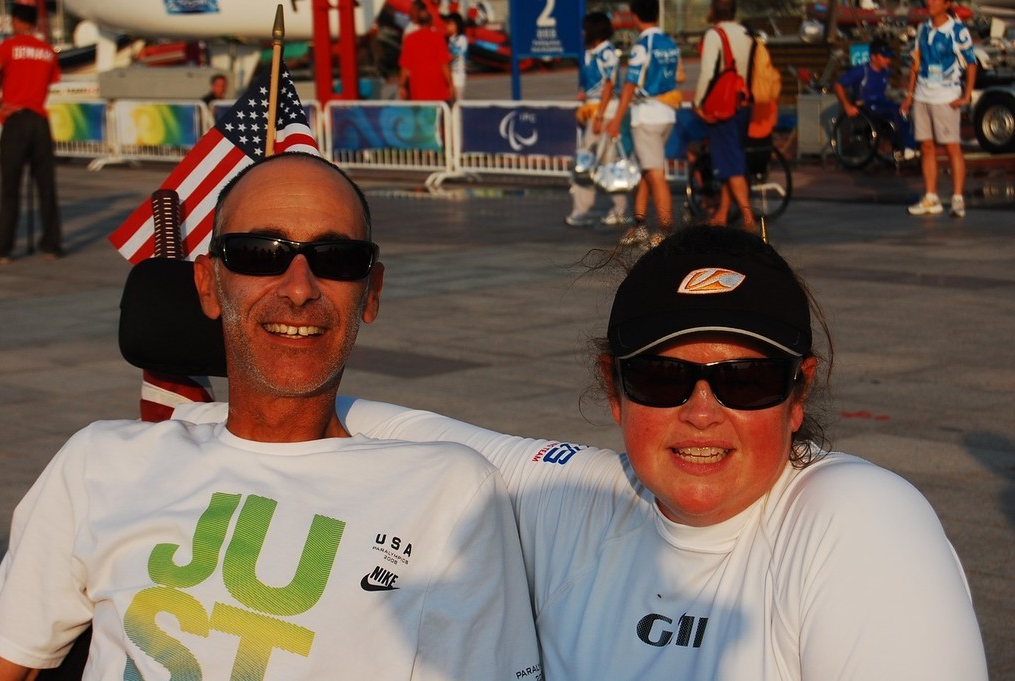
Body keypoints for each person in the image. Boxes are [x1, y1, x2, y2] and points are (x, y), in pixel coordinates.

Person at [331, 226, 988, 680]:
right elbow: (415, 434)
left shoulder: (855, 520)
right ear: (613, 389)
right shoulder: (587, 505)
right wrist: (230, 404)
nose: (702, 411)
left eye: (745, 379)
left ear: (797, 394)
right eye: (663, 378)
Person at [0, 154, 541, 680]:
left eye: (336, 260)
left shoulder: (447, 493)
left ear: (370, 293)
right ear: (208, 284)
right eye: (259, 253)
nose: (300, 288)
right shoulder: (99, 464)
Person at [605, 0, 681, 247]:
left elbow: (629, 85)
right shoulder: (669, 43)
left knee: (655, 175)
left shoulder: (642, 45)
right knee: (647, 172)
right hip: (667, 114)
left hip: (646, 116)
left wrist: (616, 119)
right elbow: (679, 75)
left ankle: (665, 231)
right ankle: (639, 225)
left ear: (635, 17)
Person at [0, 1, 62, 264]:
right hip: (39, 120)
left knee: (11, 187)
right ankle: (52, 244)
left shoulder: (8, 46)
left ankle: (3, 249)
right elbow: (52, 81)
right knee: (46, 186)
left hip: (16, 118)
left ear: (19, 22)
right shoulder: (46, 50)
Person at [901, 0, 977, 218]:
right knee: (926, 146)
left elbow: (971, 63)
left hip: (945, 96)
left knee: (952, 147)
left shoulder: (957, 30)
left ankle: (957, 198)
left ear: (946, 4)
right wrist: (909, 95)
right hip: (923, 95)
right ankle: (930, 197)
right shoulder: (923, 28)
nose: (930, 3)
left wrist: (966, 95)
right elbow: (916, 62)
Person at [693, 0, 755, 232]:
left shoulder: (714, 35)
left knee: (731, 164)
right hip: (743, 103)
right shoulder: (746, 33)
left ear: (713, 11)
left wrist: (699, 103)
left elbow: (708, 73)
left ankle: (748, 219)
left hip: (723, 107)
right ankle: (722, 213)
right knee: (732, 158)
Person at [566, 11, 629, 229]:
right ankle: (585, 208)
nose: (582, 32)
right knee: (594, 161)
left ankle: (593, 210)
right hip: (593, 111)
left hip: (604, 113)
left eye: (586, 28)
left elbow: (609, 85)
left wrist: (600, 115)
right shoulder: (589, 53)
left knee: (600, 162)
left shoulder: (607, 53)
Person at [832, 38, 917, 159]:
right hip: (866, 105)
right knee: (895, 112)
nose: (888, 60)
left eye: (889, 57)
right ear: (874, 57)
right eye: (884, 57)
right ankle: (906, 147)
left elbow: (901, 76)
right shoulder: (861, 70)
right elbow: (838, 85)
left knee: (904, 110)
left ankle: (909, 145)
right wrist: (847, 106)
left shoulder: (885, 70)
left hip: (881, 102)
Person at [397, 1, 453, 102]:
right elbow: (444, 64)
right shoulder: (438, 38)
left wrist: (402, 86)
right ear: (431, 22)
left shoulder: (410, 38)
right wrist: (450, 84)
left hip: (418, 88)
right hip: (437, 89)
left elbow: (404, 66)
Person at [444, 12, 467, 102]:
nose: (447, 26)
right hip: (448, 76)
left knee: (457, 103)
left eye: (450, 24)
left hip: (458, 77)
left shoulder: (461, 39)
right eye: (447, 24)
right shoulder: (447, 39)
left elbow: (451, 56)